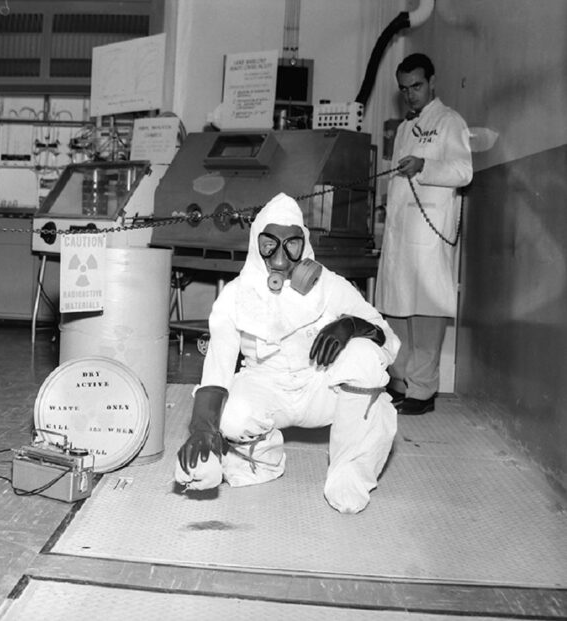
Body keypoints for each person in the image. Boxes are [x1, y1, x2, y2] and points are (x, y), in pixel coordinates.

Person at [174, 193, 400, 514]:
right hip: (267, 387)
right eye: (269, 245)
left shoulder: (330, 286)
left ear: (304, 246)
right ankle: (263, 460)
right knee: (229, 416)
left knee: (364, 357)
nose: (280, 259)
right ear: (256, 244)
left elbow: (386, 337)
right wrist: (201, 428)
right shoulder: (236, 295)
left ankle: (349, 474)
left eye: (291, 246)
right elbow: (218, 367)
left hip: (322, 385)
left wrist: (351, 325)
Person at [376, 53, 473, 416]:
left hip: (429, 234)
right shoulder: (403, 128)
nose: (411, 95)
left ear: (432, 82)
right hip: (400, 232)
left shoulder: (451, 122)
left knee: (426, 312)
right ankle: (400, 383)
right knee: (397, 308)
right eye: (404, 89)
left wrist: (425, 166)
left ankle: (423, 390)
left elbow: (464, 171)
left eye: (416, 86)